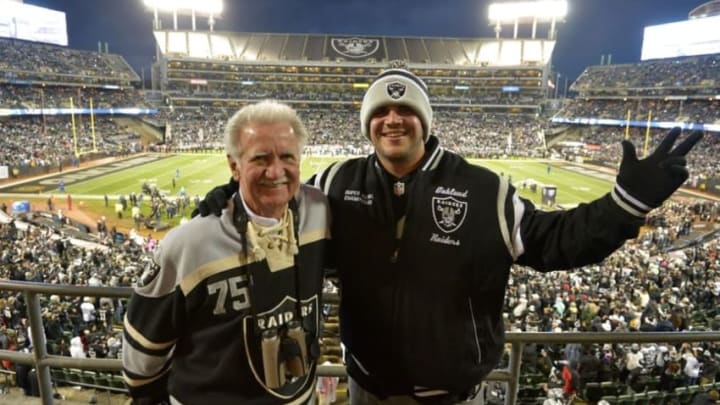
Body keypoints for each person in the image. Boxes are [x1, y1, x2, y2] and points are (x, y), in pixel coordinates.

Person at [196, 64, 703, 404]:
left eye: (406, 111)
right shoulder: (335, 183)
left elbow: (557, 241)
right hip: (366, 387)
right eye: (381, 113)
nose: (393, 120)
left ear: (426, 121)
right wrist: (226, 197)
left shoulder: (485, 190)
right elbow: (273, 204)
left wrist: (625, 205)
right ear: (368, 125)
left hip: (456, 394)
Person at [122, 100, 331, 405]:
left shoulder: (320, 211)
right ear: (234, 166)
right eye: (260, 158)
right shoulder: (188, 243)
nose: (276, 171)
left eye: (287, 156)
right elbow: (141, 357)